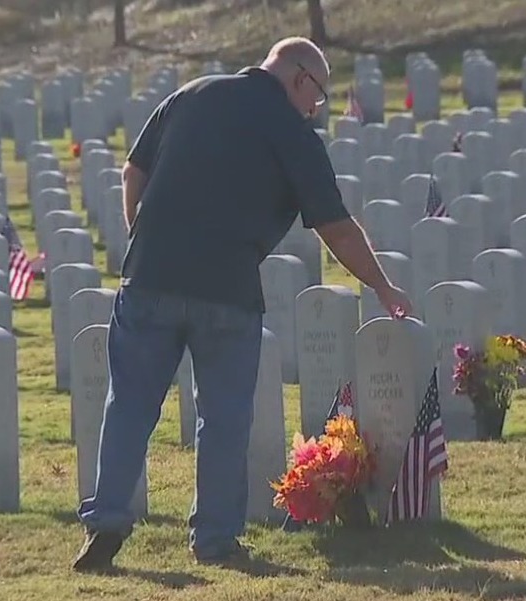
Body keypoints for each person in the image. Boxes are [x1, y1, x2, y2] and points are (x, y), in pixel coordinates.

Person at [71, 36, 413, 572]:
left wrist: (142, 233)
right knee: (224, 419)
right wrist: (384, 287)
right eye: (317, 96)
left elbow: (132, 171)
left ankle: (106, 527)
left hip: (150, 276)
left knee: (129, 406)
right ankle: (214, 540)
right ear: (300, 78)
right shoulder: (290, 131)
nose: (316, 109)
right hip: (226, 290)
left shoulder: (190, 94)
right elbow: (336, 227)